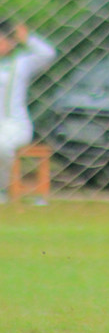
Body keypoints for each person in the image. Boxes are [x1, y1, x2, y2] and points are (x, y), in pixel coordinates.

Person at [0, 21, 56, 204]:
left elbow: (48, 54)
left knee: (3, 146)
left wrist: (27, 38)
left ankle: (2, 189)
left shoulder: (21, 62)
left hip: (14, 125)